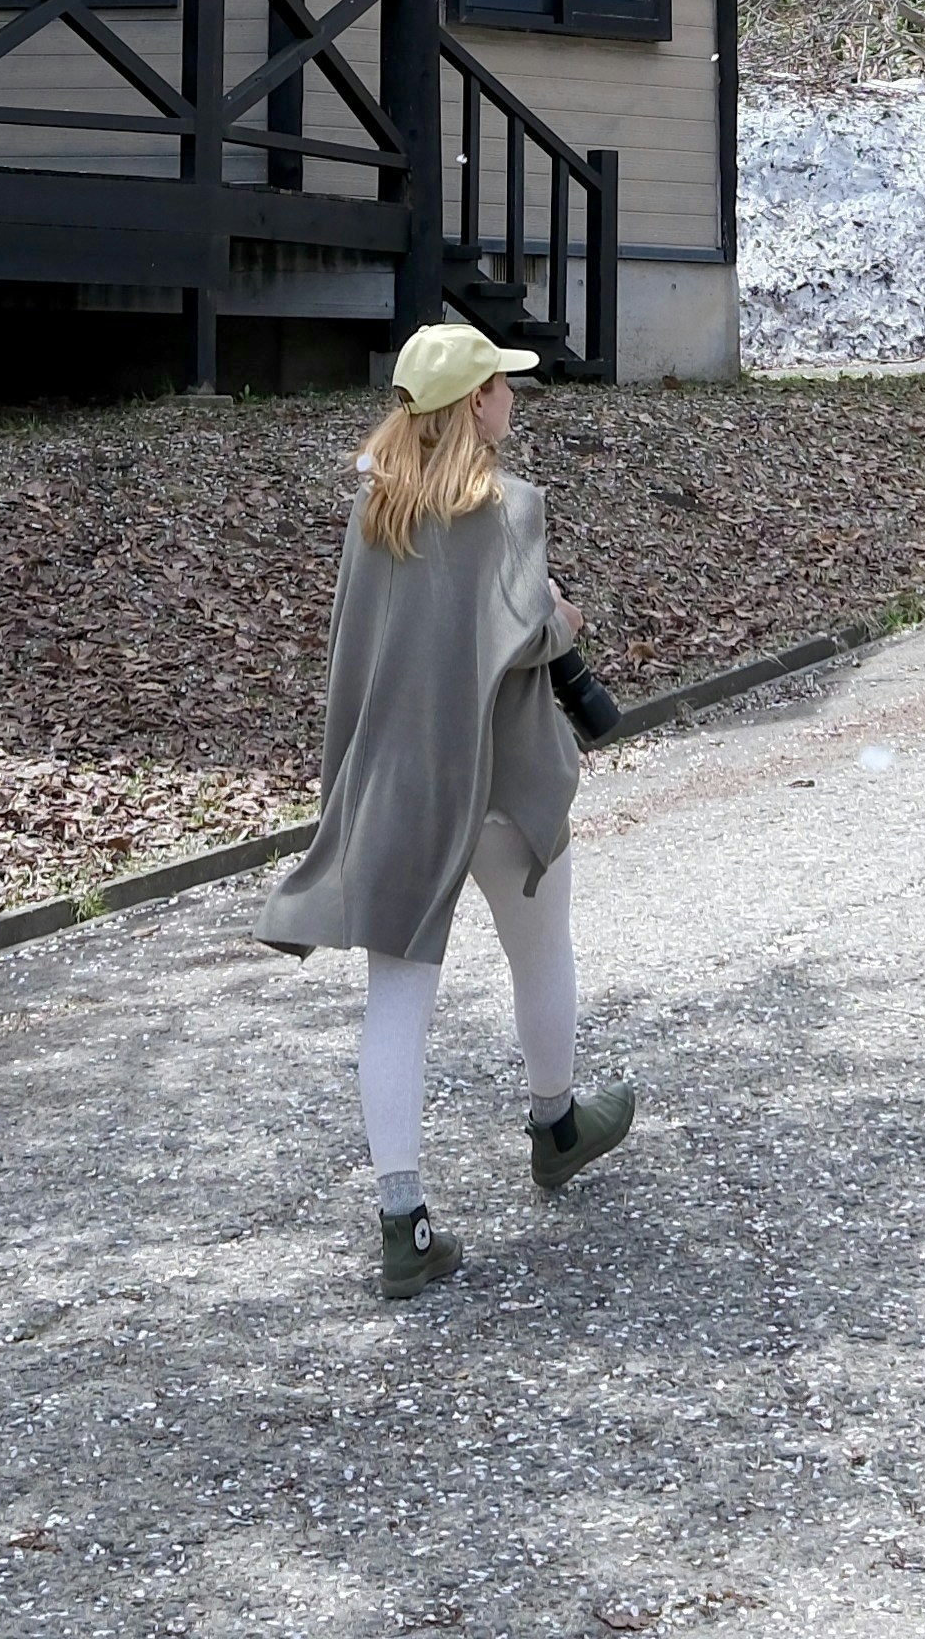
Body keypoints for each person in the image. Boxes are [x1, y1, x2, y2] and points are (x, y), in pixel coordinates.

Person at [255, 316, 636, 1295]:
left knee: (398, 994)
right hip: (502, 778)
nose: (513, 395)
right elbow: (521, 631)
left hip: (404, 786)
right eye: (503, 384)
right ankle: (555, 1123)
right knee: (541, 950)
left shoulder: (374, 510)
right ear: (475, 404)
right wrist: (565, 623)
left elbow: (358, 649)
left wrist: (344, 780)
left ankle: (404, 1221)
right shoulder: (511, 508)